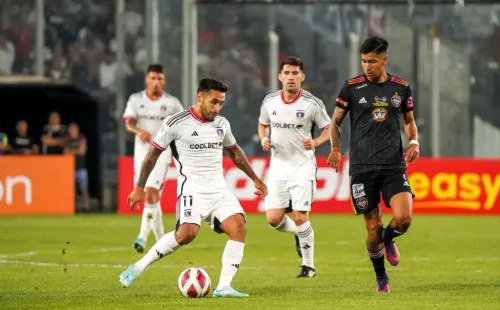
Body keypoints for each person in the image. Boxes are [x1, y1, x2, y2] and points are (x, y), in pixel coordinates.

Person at [119, 78, 267, 298]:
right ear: (200, 97)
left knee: (238, 228)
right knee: (186, 234)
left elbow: (234, 152)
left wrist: (255, 178)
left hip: (219, 190)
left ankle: (223, 286)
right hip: (192, 190)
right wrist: (139, 187)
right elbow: (152, 154)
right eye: (213, 102)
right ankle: (139, 266)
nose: (217, 108)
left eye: (221, 103)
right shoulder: (175, 123)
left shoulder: (222, 124)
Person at [327, 36, 420, 293]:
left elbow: (409, 121)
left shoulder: (401, 88)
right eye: (364, 61)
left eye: (373, 61)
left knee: (404, 218)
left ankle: (387, 240)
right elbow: (334, 121)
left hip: (392, 165)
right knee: (372, 226)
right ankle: (381, 277)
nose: (367, 66)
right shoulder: (351, 87)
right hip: (362, 167)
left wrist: (414, 142)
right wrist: (335, 147)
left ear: (384, 60)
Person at [257, 56, 331, 277]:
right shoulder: (270, 101)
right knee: (273, 219)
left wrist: (316, 142)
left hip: (303, 166)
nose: (291, 77)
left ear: (302, 76)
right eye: (287, 73)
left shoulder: (312, 103)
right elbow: (262, 125)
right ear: (280, 76)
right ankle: (299, 234)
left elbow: (328, 128)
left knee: (300, 216)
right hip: (278, 166)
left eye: (295, 73)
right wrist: (263, 140)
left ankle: (308, 266)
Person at [122, 64, 184, 253]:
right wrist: (137, 130)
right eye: (152, 78)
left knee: (149, 192)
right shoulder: (136, 100)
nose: (156, 82)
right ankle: (161, 239)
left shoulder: (172, 103)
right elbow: (129, 122)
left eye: (159, 78)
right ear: (146, 80)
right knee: (152, 199)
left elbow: (182, 125)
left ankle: (142, 237)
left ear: (164, 81)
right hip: (141, 154)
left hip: (161, 153)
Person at [64, 122, 90, 212]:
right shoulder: (67, 140)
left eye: (74, 129)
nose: (72, 131)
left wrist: (71, 151)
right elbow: (65, 153)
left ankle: (86, 207)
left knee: (84, 189)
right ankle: (73, 207)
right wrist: (76, 151)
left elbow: (82, 151)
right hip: (69, 169)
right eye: (70, 129)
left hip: (81, 168)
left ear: (77, 130)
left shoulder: (81, 138)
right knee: (72, 189)